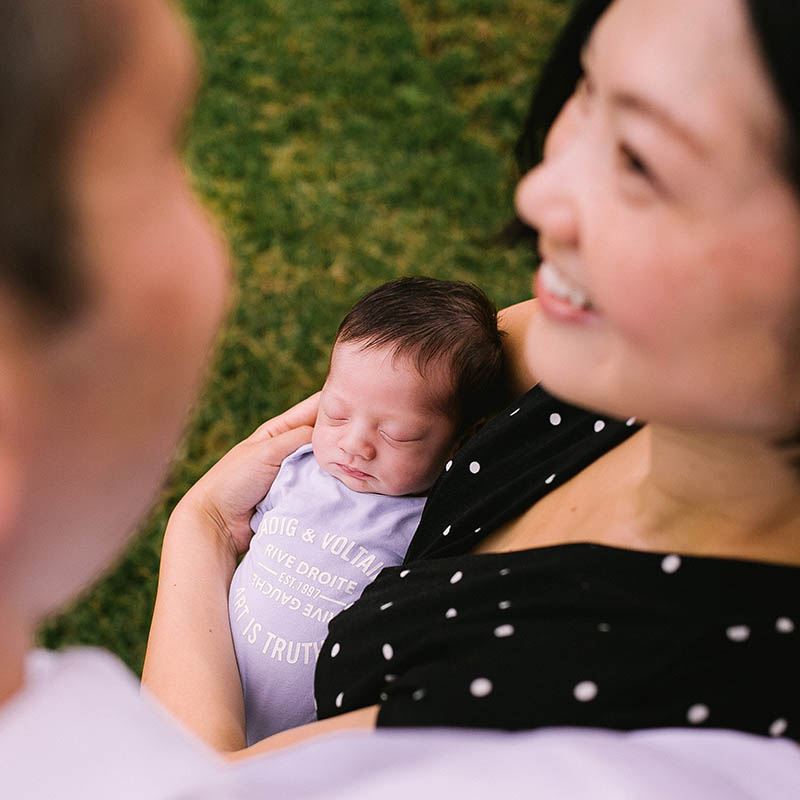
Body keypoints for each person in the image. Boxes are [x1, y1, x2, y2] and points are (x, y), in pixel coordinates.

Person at [1, 0, 798, 797]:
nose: (540, 195)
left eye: (641, 160)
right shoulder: (605, 349)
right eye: (587, 93)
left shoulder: (626, 716)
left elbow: (202, 786)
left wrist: (202, 527)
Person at [230, 277, 504, 742]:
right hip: (209, 683)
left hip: (302, 749)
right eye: (336, 413)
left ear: (463, 440)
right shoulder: (292, 470)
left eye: (397, 435)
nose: (355, 445)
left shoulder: (430, 527)